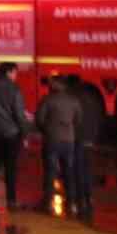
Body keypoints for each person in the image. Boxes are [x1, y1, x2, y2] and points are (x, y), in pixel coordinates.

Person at [0, 62, 34, 209]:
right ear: (9, 72)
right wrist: (25, 133)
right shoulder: (13, 89)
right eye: (15, 73)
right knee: (10, 168)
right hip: (11, 134)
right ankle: (11, 200)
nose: (16, 76)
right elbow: (18, 114)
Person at [35, 76, 83, 214]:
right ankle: (72, 203)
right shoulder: (73, 101)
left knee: (50, 172)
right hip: (69, 141)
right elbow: (78, 119)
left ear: (56, 85)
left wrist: (47, 130)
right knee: (68, 172)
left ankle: (48, 202)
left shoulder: (48, 100)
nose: (49, 85)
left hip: (52, 140)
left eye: (51, 83)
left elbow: (39, 119)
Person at [68, 75, 98, 219]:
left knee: (78, 170)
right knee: (87, 169)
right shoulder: (90, 98)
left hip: (78, 138)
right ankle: (89, 196)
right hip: (89, 138)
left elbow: (74, 120)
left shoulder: (73, 99)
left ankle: (80, 199)